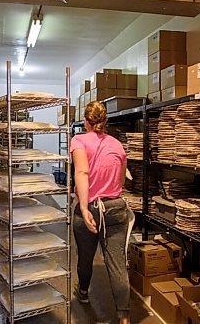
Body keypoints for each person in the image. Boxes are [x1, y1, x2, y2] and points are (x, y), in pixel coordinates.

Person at [70, 101, 131, 324]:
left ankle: (83, 293)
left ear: (86, 121)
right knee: (117, 263)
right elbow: (121, 179)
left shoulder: (79, 140)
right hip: (115, 207)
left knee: (85, 258)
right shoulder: (117, 144)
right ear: (105, 121)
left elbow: (82, 172)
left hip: (92, 207)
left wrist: (85, 208)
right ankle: (124, 316)